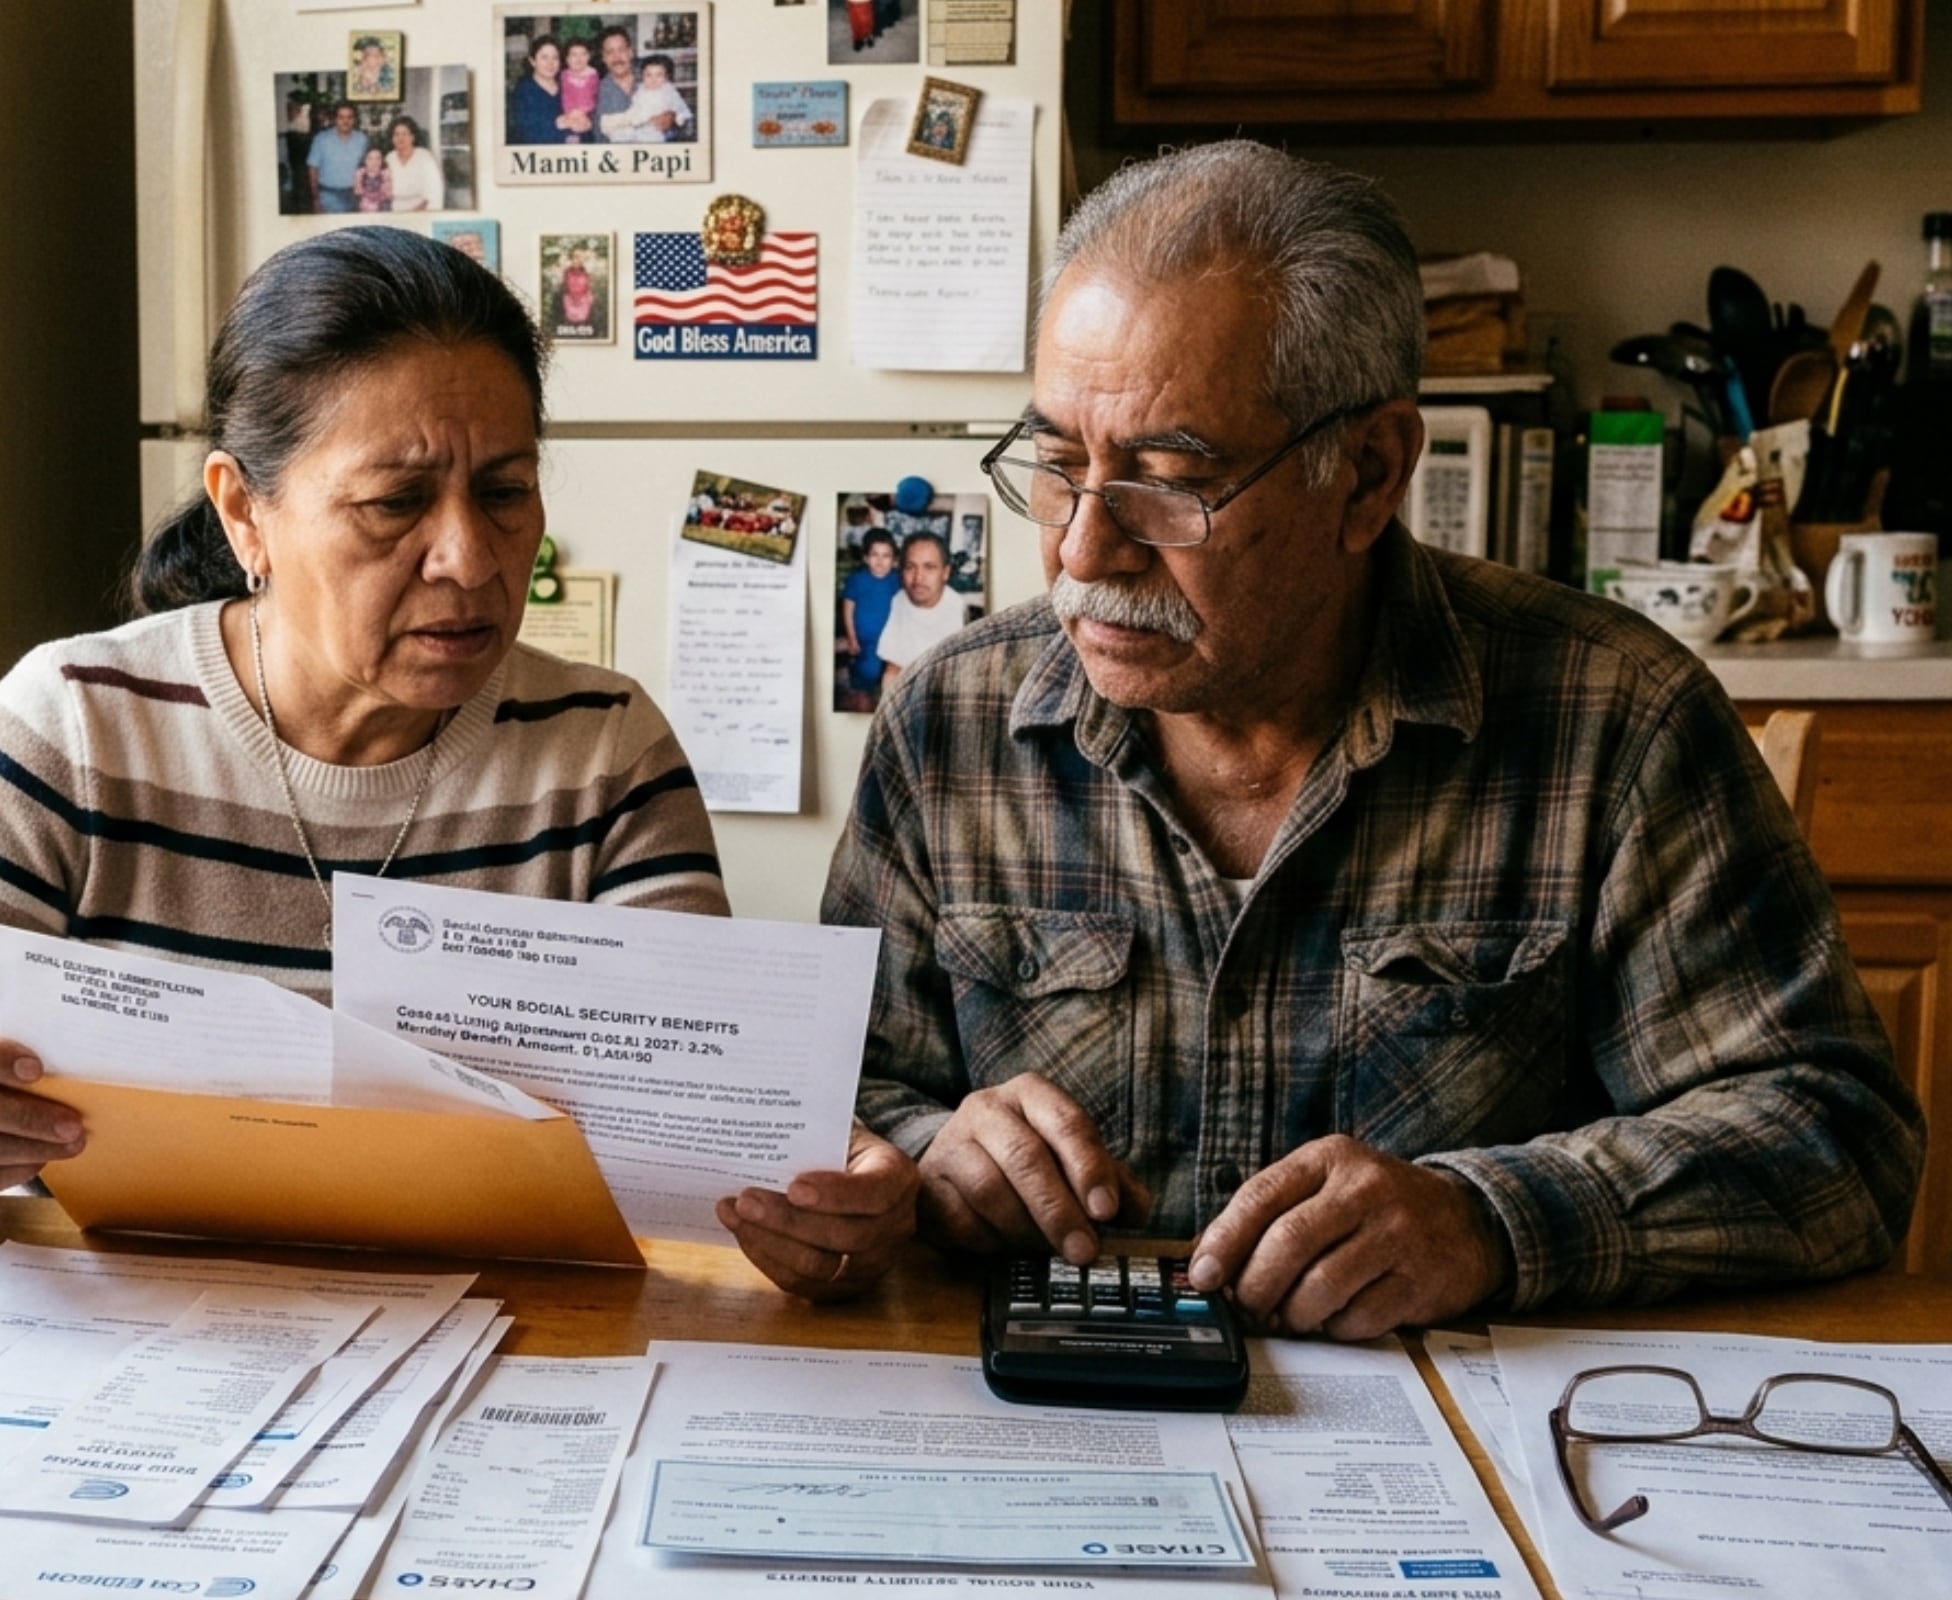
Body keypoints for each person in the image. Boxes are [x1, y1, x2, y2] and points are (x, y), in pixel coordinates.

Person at [822, 139, 1924, 1338]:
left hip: (1476, 1455)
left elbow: (1836, 1136)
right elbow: (839, 1095)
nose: (1084, 551)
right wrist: (931, 1155)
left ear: (1369, 472)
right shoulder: (951, 723)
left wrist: (1490, 1219)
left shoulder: (1614, 720)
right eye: (1055, 461)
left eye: (1168, 478)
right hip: (1051, 1417)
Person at [0, 230, 909, 1301]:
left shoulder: (603, 753)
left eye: (505, 491)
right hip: (132, 1345)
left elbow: (708, 1135)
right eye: (394, 503)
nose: (467, 557)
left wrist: (816, 1203)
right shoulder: (82, 726)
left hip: (505, 1352)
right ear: (244, 515)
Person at [874, 531, 968, 689]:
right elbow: (893, 667)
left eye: (929, 567)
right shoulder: (898, 601)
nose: (918, 578)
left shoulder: (958, 608)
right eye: (910, 567)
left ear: (945, 572)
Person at [839, 526, 900, 708]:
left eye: (886, 555)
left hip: (891, 638)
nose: (880, 561)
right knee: (867, 672)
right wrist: (851, 638)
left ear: (894, 560)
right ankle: (852, 675)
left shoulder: (897, 580)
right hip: (865, 640)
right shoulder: (857, 579)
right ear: (866, 558)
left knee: (893, 676)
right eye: (875, 555)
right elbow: (848, 608)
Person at [594, 26, 672, 144]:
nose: (617, 57)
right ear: (604, 58)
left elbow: (679, 112)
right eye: (610, 52)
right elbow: (599, 138)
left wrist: (671, 116)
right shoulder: (598, 91)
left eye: (621, 50)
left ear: (630, 52)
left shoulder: (653, 75)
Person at [508, 35, 573, 147]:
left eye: (555, 57)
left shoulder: (567, 84)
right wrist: (558, 125)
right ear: (532, 61)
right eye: (544, 57)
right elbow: (527, 134)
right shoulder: (523, 91)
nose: (550, 63)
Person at [305, 102, 367, 215]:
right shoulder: (321, 139)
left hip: (355, 196)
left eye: (349, 117)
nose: (345, 121)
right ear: (334, 119)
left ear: (354, 119)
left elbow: (365, 167)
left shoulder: (362, 139)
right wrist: (315, 198)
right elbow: (312, 170)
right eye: (341, 117)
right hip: (328, 195)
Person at [614, 53, 691, 144]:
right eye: (648, 75)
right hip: (639, 121)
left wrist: (679, 118)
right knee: (619, 132)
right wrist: (629, 117)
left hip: (657, 125)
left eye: (659, 75)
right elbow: (635, 105)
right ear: (642, 76)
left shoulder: (668, 90)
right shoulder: (641, 89)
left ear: (666, 77)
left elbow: (679, 106)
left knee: (650, 137)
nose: (653, 79)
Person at [384, 115, 443, 212]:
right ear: (392, 138)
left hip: (421, 212)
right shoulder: (389, 158)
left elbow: (434, 192)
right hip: (393, 213)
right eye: (396, 134)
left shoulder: (425, 157)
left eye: (405, 134)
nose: (400, 138)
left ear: (412, 137)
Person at [558, 39, 600, 144]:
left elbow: (595, 96)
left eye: (583, 54)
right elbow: (562, 96)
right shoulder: (563, 75)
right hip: (568, 114)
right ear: (567, 59)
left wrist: (584, 112)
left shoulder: (592, 75)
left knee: (584, 133)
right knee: (566, 131)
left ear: (589, 57)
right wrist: (570, 113)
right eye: (574, 55)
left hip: (586, 114)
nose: (579, 58)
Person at [559, 245, 597, 332]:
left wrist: (589, 296)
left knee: (583, 322)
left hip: (583, 302)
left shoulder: (586, 272)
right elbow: (565, 287)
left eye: (582, 258)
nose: (579, 260)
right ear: (571, 259)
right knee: (570, 321)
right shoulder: (567, 271)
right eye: (576, 257)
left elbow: (589, 287)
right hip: (570, 300)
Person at [352, 145, 393, 213]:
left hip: (381, 206)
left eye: (378, 159)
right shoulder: (360, 173)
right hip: (364, 206)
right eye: (370, 159)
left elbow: (387, 195)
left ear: (382, 160)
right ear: (364, 160)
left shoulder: (385, 173)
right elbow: (358, 192)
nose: (374, 162)